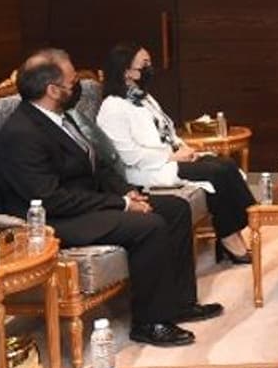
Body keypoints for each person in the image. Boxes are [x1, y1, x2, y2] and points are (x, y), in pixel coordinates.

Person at [0, 49, 223, 347]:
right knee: (149, 226)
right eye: (72, 82)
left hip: (85, 204)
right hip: (52, 221)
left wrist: (126, 192)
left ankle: (179, 303)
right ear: (52, 90)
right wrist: (122, 205)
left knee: (175, 208)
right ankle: (150, 322)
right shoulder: (22, 133)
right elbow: (51, 199)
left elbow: (97, 166)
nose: (77, 87)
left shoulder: (60, 118)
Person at [96, 43, 256, 265]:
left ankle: (243, 223)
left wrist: (184, 149)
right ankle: (228, 237)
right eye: (144, 64)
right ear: (127, 72)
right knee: (216, 173)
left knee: (226, 165)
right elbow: (129, 156)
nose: (150, 69)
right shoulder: (113, 108)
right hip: (146, 170)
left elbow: (167, 131)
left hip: (170, 158)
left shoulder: (144, 98)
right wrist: (172, 157)